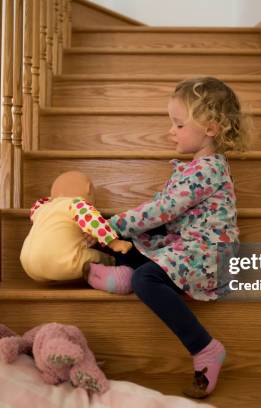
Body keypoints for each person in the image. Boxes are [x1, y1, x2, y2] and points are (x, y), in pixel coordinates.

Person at [85, 77, 251, 398]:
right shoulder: (192, 170)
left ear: (211, 129)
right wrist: (110, 227)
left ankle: (204, 347)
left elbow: (162, 211)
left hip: (208, 257)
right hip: (186, 247)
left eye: (178, 124)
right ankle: (125, 273)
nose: (170, 130)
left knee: (147, 277)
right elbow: (159, 218)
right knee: (133, 235)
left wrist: (113, 226)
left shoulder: (208, 170)